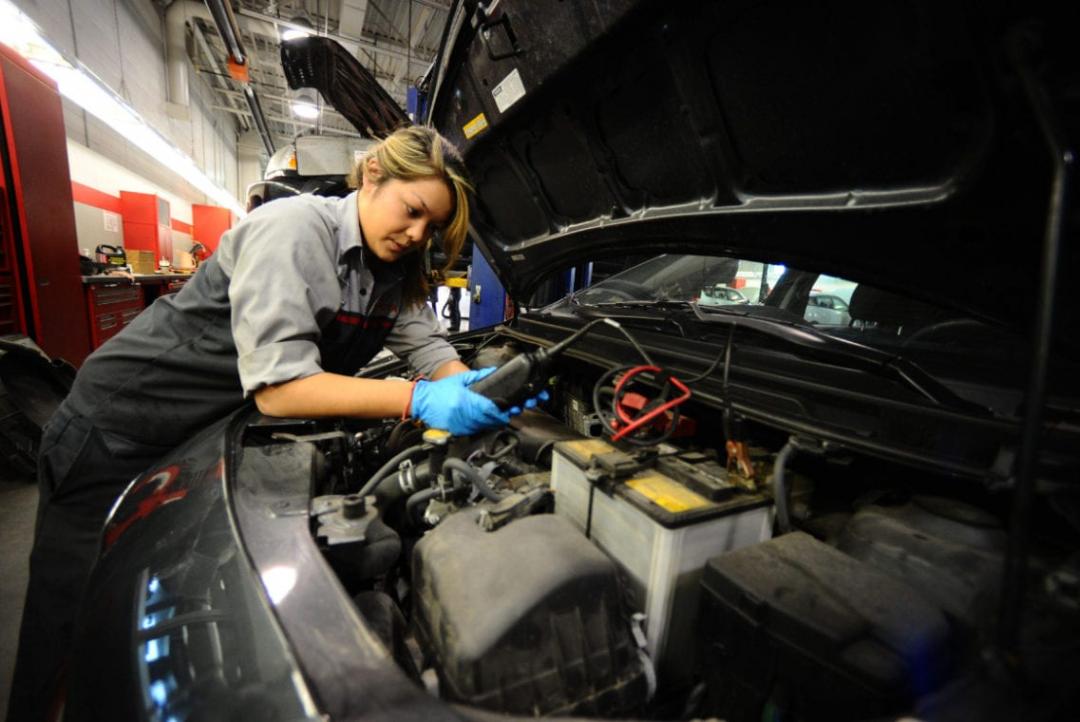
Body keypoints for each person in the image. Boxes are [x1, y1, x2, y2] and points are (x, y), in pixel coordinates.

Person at [8, 126, 517, 720]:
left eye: (432, 228)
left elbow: (431, 351)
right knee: (68, 622)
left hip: (192, 436)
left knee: (125, 616)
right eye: (413, 211)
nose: (416, 235)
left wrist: (474, 391)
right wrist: (419, 400)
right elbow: (279, 390)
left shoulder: (392, 272)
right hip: (117, 426)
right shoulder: (295, 231)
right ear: (374, 175)